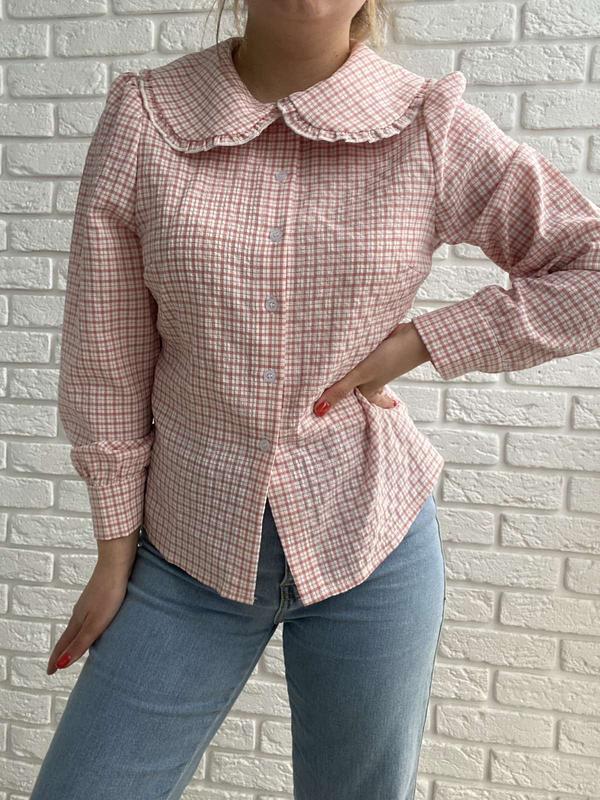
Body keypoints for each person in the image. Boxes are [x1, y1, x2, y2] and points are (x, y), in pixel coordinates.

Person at [30, 0, 600, 798]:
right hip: (184, 548)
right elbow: (107, 354)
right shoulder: (148, 118)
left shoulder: (427, 126)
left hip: (372, 540)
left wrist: (424, 342)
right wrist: (113, 551)